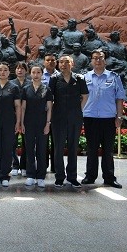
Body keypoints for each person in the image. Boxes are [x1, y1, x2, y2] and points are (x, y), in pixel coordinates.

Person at [82, 49, 126, 189]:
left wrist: (119, 116)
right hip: (90, 118)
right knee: (91, 149)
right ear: (91, 61)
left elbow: (119, 98)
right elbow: (80, 98)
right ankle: (90, 176)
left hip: (108, 119)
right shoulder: (85, 77)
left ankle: (109, 177)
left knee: (108, 150)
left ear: (105, 60)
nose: (98, 60)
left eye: (100, 57)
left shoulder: (114, 77)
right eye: (95, 58)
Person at [49, 55, 88, 188]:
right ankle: (59, 177)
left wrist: (78, 109)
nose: (63, 64)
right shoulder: (54, 79)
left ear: (72, 64)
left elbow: (85, 95)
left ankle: (72, 177)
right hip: (58, 117)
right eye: (61, 62)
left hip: (74, 117)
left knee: (73, 147)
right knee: (58, 148)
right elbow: (50, 98)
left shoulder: (79, 78)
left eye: (66, 62)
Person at [20, 65, 53, 188]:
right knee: (29, 149)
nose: (36, 74)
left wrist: (48, 123)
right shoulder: (26, 89)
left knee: (42, 150)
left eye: (38, 72)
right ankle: (30, 175)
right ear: (30, 74)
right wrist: (21, 123)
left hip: (42, 123)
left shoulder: (46, 89)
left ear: (42, 74)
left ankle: (40, 176)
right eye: (33, 72)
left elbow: (49, 108)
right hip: (28, 123)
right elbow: (23, 107)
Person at [9, 61, 31, 176]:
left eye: (22, 68)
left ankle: (24, 165)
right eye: (18, 68)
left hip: (27, 116)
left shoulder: (31, 83)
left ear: (26, 71)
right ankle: (15, 164)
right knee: (12, 142)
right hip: (13, 116)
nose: (20, 70)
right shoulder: (10, 83)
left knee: (26, 142)